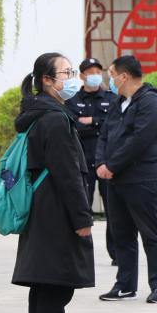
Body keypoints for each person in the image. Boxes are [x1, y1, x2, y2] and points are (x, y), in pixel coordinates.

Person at [12, 53, 94, 313]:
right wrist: (82, 218)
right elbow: (68, 174)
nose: (73, 78)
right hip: (57, 212)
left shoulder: (37, 114)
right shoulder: (55, 119)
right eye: (66, 73)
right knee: (56, 288)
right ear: (47, 80)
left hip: (41, 209)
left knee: (44, 286)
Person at [95, 55, 157, 304]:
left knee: (150, 233)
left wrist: (112, 165)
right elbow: (104, 135)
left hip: (141, 179)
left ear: (124, 76)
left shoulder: (150, 102)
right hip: (115, 180)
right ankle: (125, 285)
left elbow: (140, 140)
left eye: (111, 74)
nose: (109, 79)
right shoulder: (118, 102)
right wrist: (101, 163)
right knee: (122, 234)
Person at [65, 57, 118, 263]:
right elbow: (73, 126)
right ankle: (81, 253)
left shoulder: (111, 98)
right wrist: (96, 124)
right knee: (81, 207)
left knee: (113, 209)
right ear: (82, 76)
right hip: (83, 161)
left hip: (106, 160)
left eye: (98, 71)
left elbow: (112, 125)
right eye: (90, 72)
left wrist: (92, 121)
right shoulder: (72, 100)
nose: (95, 75)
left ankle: (116, 253)